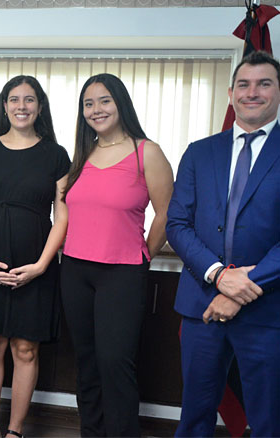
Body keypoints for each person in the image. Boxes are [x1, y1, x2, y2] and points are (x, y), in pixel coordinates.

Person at [167, 51, 280, 437]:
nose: (253, 93)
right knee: (195, 415)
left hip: (269, 309)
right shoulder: (200, 152)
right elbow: (177, 223)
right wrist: (219, 277)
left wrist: (238, 290)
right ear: (231, 93)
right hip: (202, 303)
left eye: (264, 83)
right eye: (244, 85)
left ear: (278, 91)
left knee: (269, 419)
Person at [60, 73, 173, 436]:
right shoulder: (82, 153)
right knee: (87, 362)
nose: (96, 109)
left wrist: (145, 254)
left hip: (122, 273)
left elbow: (168, 214)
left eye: (104, 100)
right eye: (88, 103)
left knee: (115, 364)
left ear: (120, 103)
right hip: (75, 270)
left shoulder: (147, 151)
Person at [0, 76, 70, 438]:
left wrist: (42, 265)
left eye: (29, 99)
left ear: (40, 106)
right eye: (14, 99)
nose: (21, 106)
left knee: (26, 348)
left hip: (36, 264)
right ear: (4, 105)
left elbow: (63, 214)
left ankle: (15, 430)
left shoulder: (56, 155)